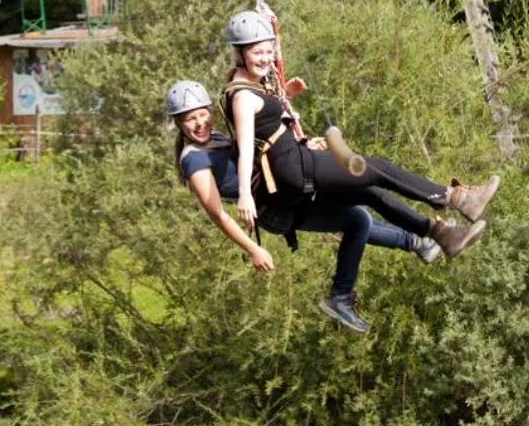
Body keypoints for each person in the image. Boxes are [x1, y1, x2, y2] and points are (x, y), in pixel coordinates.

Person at [220, 10, 498, 333]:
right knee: (375, 169)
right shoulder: (240, 96)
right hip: (294, 170)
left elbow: (274, 90)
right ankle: (455, 198)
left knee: (370, 193)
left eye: (267, 51)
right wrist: (243, 195)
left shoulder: (255, 83)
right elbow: (244, 147)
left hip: (297, 162)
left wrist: (274, 34)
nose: (265, 58)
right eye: (257, 52)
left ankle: (440, 234)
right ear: (240, 53)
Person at [169, 80, 444, 283]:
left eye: (201, 115)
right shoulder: (194, 160)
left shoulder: (216, 139)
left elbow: (261, 148)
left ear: (210, 112)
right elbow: (218, 215)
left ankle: (421, 240)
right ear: (178, 124)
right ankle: (413, 244)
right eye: (189, 120)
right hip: (277, 211)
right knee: (357, 218)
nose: (198, 124)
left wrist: (302, 149)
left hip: (281, 190)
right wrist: (253, 249)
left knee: (362, 197)